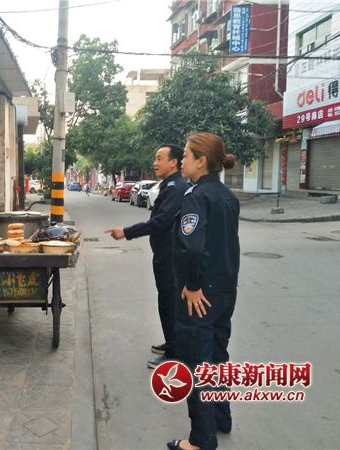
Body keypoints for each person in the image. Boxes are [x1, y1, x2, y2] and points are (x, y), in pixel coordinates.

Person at [168, 133, 240, 450]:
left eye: (186, 155)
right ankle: (221, 418)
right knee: (218, 358)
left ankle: (201, 439)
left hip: (201, 295)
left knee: (198, 363)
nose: (182, 160)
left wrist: (193, 285)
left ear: (201, 161)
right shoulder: (227, 196)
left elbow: (193, 248)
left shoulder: (197, 197)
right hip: (225, 291)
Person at [105, 144, 189, 368]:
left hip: (170, 256)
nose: (155, 163)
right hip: (164, 254)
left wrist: (126, 232)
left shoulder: (176, 188)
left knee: (169, 303)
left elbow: (160, 222)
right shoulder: (169, 185)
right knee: (166, 301)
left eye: (160, 158)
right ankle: (171, 342)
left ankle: (175, 352)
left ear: (173, 162)